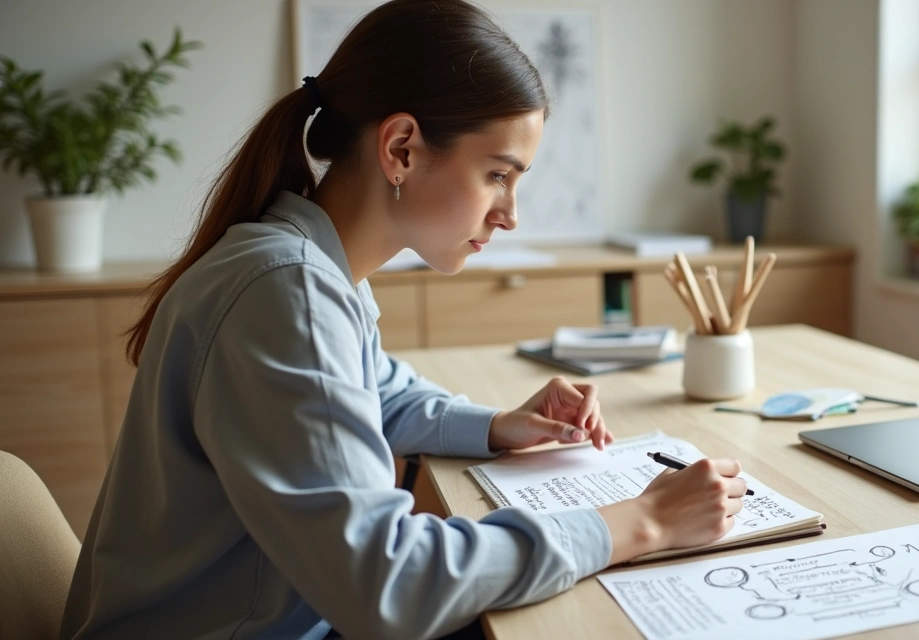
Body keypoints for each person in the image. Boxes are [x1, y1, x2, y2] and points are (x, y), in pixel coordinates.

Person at [59, 2, 748, 639]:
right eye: (500, 175)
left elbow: (372, 387)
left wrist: (495, 425)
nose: (512, 213)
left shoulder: (303, 263)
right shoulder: (286, 288)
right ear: (401, 149)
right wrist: (641, 521)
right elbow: (388, 584)